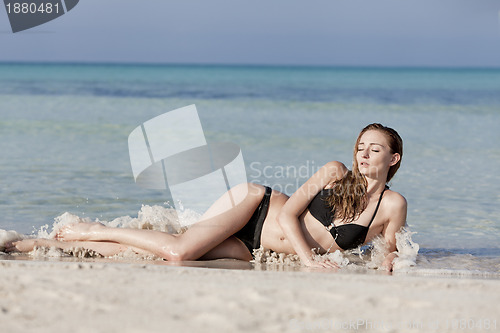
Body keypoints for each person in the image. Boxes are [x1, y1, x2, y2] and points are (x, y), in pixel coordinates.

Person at [6, 123, 406, 271]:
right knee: (180, 252)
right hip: (256, 206)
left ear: (394, 158)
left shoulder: (393, 206)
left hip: (256, 252)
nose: (364, 154)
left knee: (162, 255)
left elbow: (388, 251)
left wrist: (392, 265)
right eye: (361, 147)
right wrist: (309, 263)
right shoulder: (334, 172)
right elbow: (288, 219)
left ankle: (35, 243)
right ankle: (91, 230)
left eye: (375, 149)